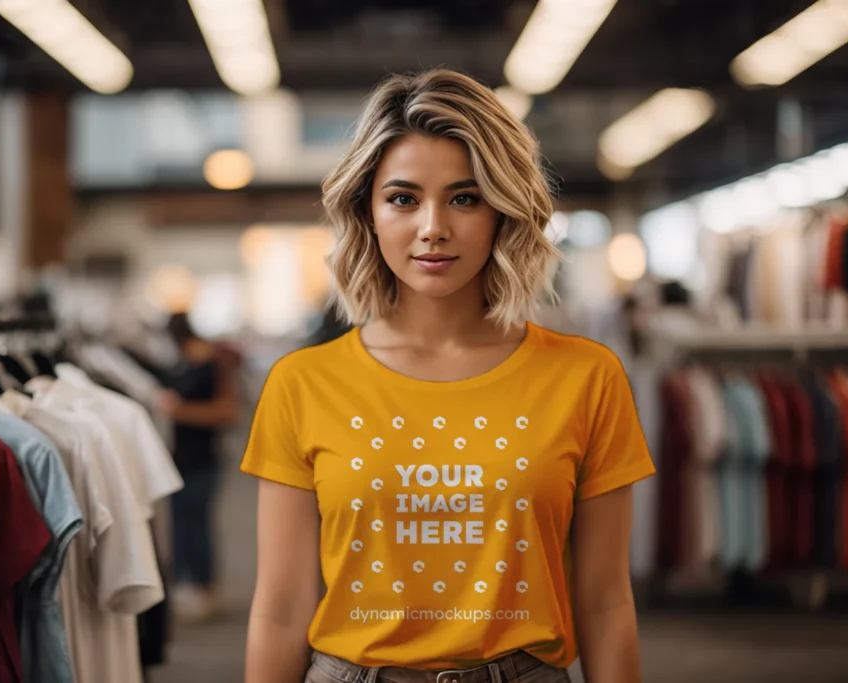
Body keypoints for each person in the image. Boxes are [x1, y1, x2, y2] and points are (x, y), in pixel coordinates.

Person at [240, 69, 655, 683]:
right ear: (369, 213)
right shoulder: (302, 384)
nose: (433, 226)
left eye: (465, 197)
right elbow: (280, 611)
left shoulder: (587, 378)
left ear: (502, 211)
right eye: (403, 198)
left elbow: (606, 604)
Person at [158, 312, 240, 622]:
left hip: (203, 457)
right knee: (181, 522)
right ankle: (187, 583)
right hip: (177, 457)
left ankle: (204, 587)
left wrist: (180, 411)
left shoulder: (213, 364)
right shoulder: (179, 365)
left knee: (197, 522)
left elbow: (227, 411)